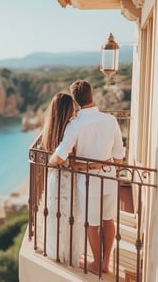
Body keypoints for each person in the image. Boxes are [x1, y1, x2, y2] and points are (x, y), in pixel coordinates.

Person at [49, 80, 125, 275]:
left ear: (76, 101)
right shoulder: (110, 120)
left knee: (93, 223)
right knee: (108, 220)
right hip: (109, 178)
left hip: (89, 181)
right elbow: (118, 157)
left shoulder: (74, 125)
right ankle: (106, 262)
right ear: (92, 96)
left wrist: (50, 162)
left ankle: (96, 264)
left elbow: (59, 157)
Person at [40, 92, 84, 266]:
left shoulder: (50, 130)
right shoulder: (70, 130)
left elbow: (55, 157)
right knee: (70, 216)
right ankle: (68, 257)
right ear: (68, 110)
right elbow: (69, 157)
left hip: (54, 178)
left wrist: (51, 164)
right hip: (68, 178)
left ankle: (56, 252)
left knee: (56, 215)